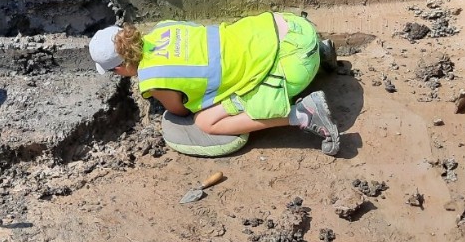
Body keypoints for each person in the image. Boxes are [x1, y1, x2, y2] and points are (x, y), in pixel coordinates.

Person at [89, 11, 341, 155]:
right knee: (235, 43)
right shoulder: (164, 27)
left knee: (205, 121)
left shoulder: (153, 80)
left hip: (294, 66)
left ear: (120, 67)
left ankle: (302, 114)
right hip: (294, 28)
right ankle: (320, 51)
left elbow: (180, 110)